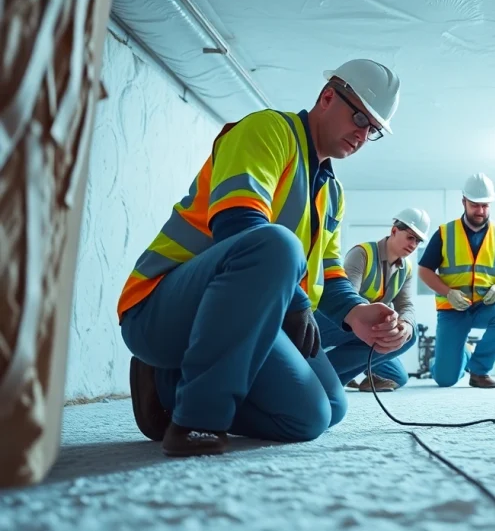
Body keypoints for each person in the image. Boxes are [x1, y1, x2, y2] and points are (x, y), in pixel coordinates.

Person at [118, 59, 413, 457]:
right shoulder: (268, 130)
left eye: (372, 130)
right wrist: (295, 305)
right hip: (161, 309)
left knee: (320, 413)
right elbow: (239, 225)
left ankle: (170, 388)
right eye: (360, 117)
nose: (362, 134)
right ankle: (197, 418)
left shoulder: (333, 193)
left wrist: (359, 313)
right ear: (328, 97)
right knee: (277, 242)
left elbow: (329, 274)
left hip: (245, 317)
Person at [417, 173, 495, 388]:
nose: (481, 211)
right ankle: (461, 352)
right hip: (452, 307)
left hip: (487, 304)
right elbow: (424, 270)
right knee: (445, 380)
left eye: (485, 205)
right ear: (464, 201)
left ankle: (479, 370)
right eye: (475, 205)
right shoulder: (445, 233)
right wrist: (448, 292)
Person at [341, 208, 430, 392]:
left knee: (399, 374)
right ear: (394, 231)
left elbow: (405, 304)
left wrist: (404, 324)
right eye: (410, 237)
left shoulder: (407, 269)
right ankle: (332, 369)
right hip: (343, 325)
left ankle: (349, 371)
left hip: (372, 330)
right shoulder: (362, 253)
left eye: (418, 241)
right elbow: (347, 299)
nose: (414, 245)